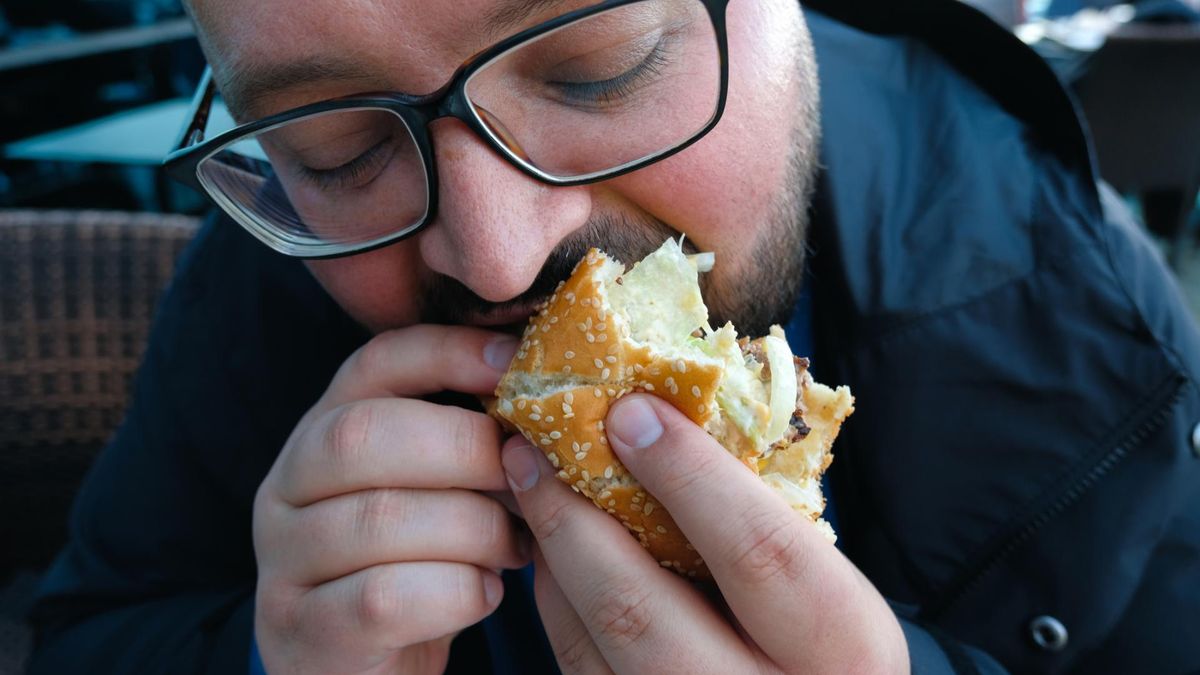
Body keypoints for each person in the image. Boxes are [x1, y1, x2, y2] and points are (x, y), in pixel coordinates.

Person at [27, 0, 1200, 672]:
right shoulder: (269, 267)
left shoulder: (1083, 312)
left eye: (599, 70)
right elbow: (88, 629)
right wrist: (264, 657)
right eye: (340, 150)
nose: (490, 258)